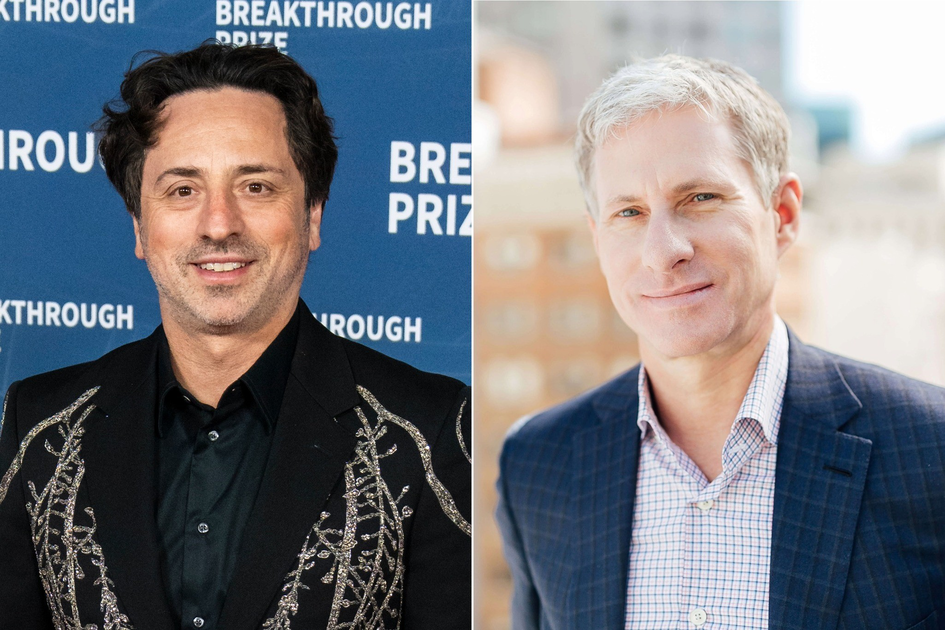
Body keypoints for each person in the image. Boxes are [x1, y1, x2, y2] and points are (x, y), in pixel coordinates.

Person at [0, 43, 470, 630]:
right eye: (182, 190)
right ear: (140, 227)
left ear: (313, 215)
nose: (219, 223)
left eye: (256, 187)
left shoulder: (432, 433)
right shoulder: (41, 427)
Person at [495, 54, 945, 630]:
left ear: (781, 214)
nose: (663, 250)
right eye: (629, 212)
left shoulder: (928, 452)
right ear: (596, 237)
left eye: (700, 198)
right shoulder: (539, 464)